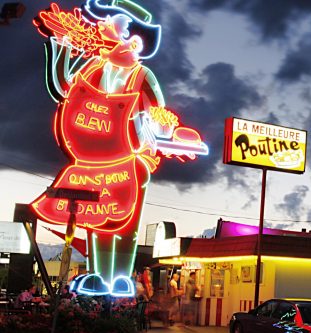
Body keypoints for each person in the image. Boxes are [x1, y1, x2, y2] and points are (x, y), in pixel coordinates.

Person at [31, 1, 208, 297]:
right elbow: (63, 86)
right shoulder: (94, 66)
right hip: (89, 163)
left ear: (134, 40)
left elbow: (160, 116)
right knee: (98, 220)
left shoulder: (142, 76)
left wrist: (177, 136)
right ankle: (100, 277)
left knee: (125, 221)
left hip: (128, 160)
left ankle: (122, 278)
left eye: (113, 26)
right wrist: (60, 43)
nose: (101, 29)